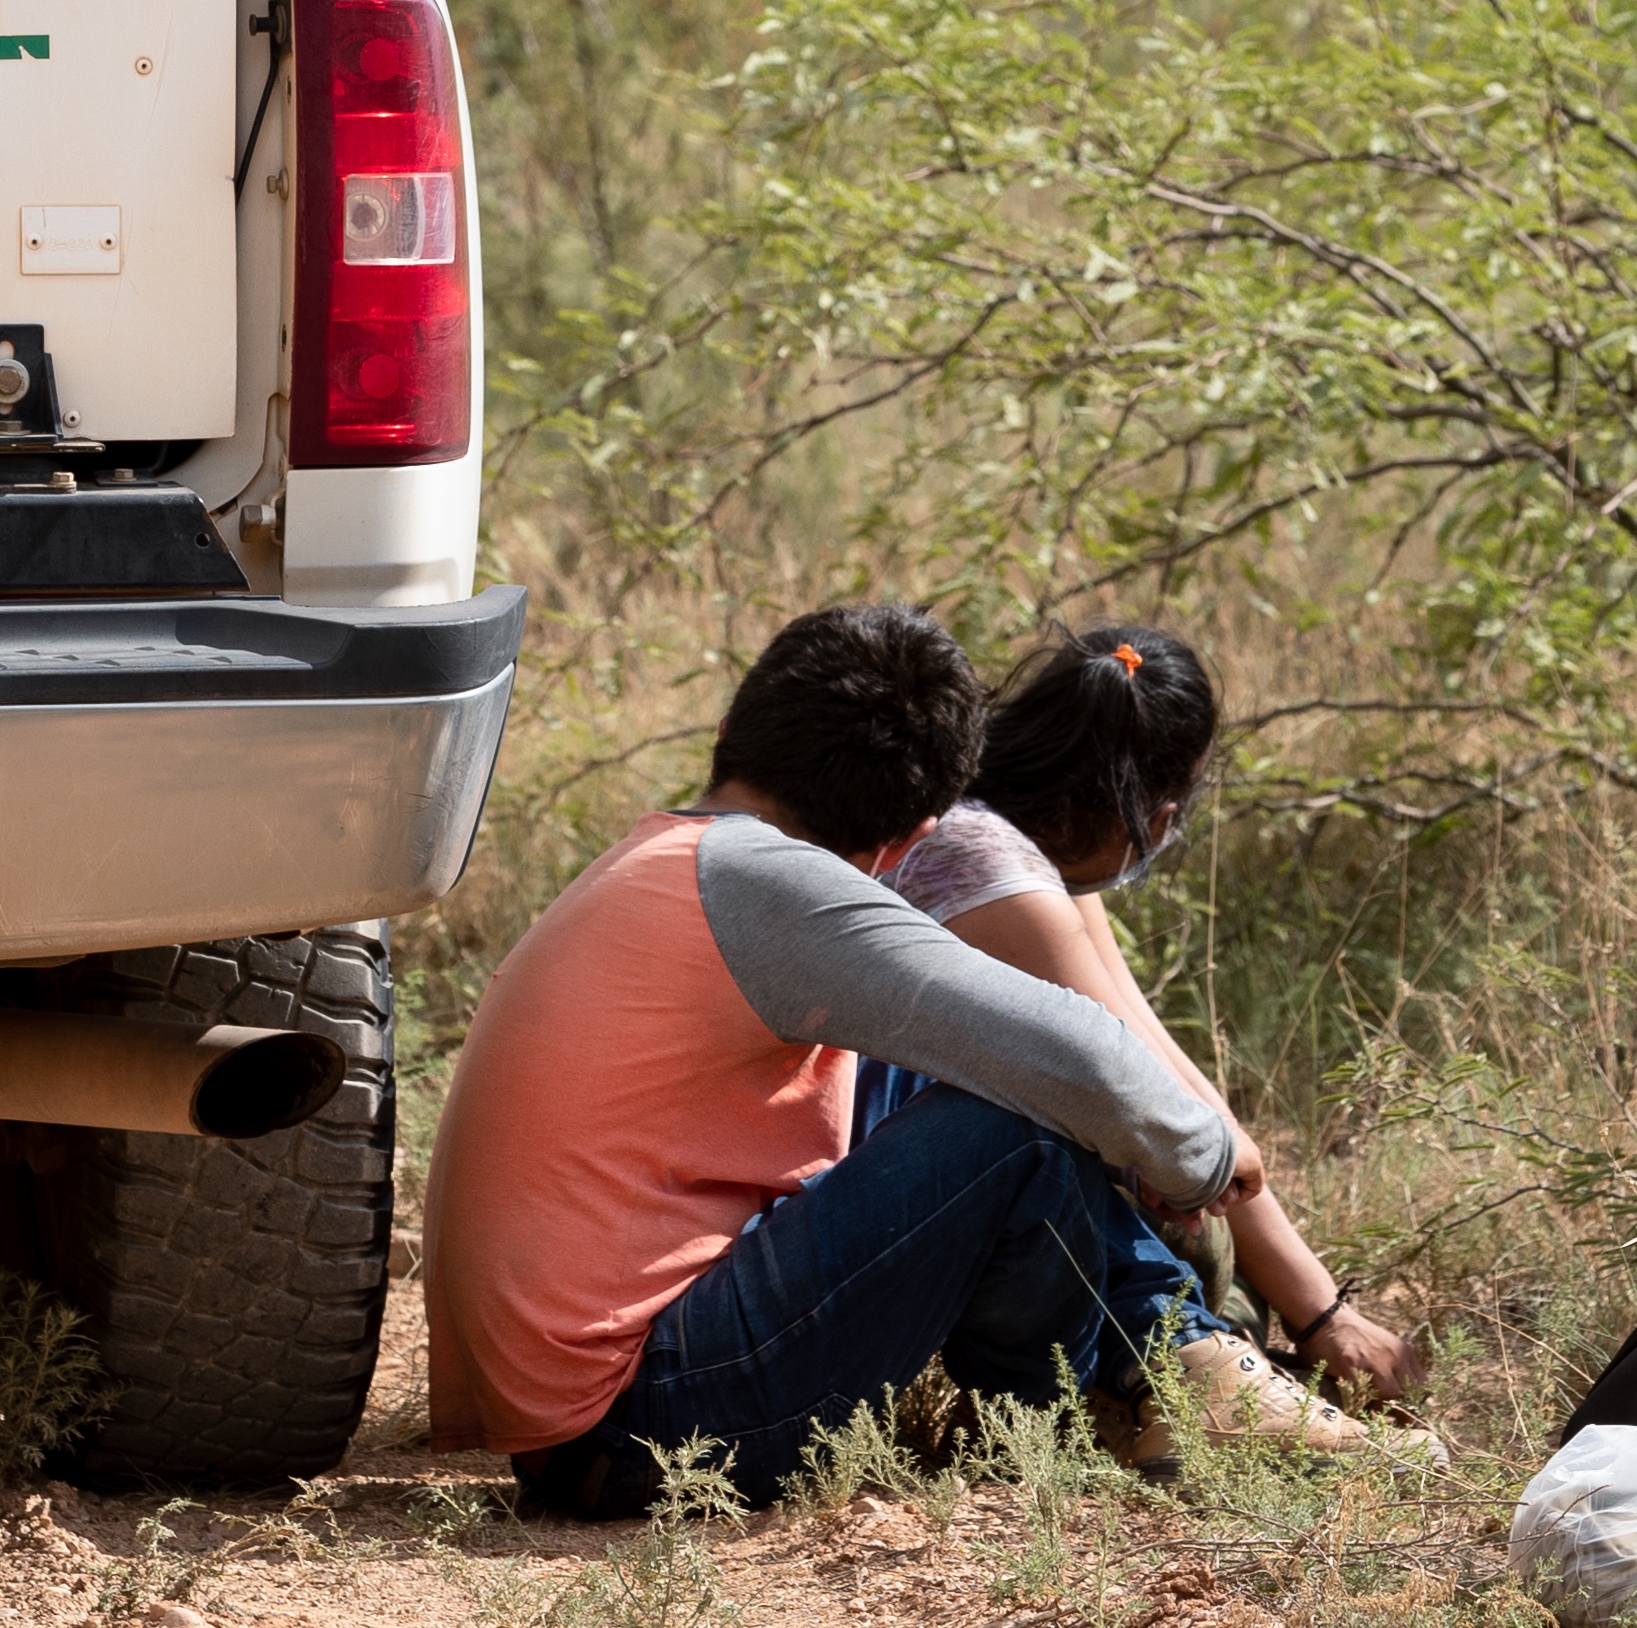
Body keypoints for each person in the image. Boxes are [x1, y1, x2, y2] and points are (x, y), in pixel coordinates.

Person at [421, 604, 1399, 1520]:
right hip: (642, 1428)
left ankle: (1132, 1373)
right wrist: (1207, 1161)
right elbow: (1082, 1061)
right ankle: (1074, 1406)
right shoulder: (776, 888)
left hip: (588, 1417)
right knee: (1014, 1124)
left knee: (956, 1071)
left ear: (737, 731)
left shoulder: (674, 854)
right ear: (912, 835)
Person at [869, 627, 1437, 1409]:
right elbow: (1144, 1099)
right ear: (1160, 812)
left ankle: (1201, 1358)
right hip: (893, 1192)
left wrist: (1324, 1313)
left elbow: (1168, 1068)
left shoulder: (1001, 837)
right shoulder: (993, 874)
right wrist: (1323, 1315)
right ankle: (1169, 1375)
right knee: (1180, 1219)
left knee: (1207, 1222)